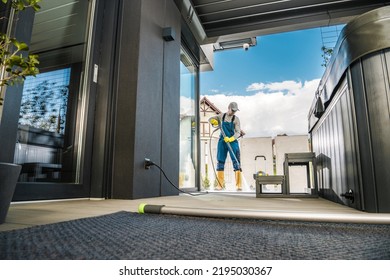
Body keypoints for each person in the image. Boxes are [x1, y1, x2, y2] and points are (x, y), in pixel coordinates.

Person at [209, 102, 245, 190]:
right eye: (232, 110)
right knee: (220, 161)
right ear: (228, 108)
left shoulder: (236, 119)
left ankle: (239, 185)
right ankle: (220, 185)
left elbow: (238, 132)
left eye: (235, 111)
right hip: (222, 141)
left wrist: (231, 139)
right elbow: (210, 119)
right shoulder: (221, 116)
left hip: (232, 141)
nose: (233, 112)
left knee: (236, 162)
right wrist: (212, 121)